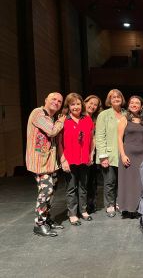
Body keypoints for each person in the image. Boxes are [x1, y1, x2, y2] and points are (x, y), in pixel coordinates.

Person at [26, 92, 66, 237]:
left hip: (50, 162)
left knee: (51, 190)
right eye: (53, 99)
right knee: (46, 191)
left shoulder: (51, 117)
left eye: (59, 101)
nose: (56, 102)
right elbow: (51, 131)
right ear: (46, 100)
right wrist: (61, 121)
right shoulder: (38, 113)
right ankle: (39, 224)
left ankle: (47, 219)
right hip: (40, 162)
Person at [58, 93, 95, 225]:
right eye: (72, 104)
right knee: (71, 188)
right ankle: (73, 213)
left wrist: (91, 154)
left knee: (83, 186)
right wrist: (63, 160)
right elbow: (60, 143)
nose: (76, 107)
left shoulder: (87, 119)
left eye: (78, 104)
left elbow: (92, 138)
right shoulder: (64, 121)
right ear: (68, 106)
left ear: (82, 105)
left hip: (84, 159)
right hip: (70, 160)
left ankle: (83, 210)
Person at [96, 89, 126, 217]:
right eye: (112, 97)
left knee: (123, 181)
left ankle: (120, 202)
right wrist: (103, 156)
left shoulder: (127, 113)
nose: (116, 98)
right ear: (109, 100)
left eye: (118, 96)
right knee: (110, 182)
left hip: (124, 154)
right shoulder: (103, 115)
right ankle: (109, 205)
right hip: (109, 155)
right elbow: (100, 136)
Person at [117, 96, 143, 218]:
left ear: (141, 106)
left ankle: (138, 207)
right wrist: (123, 155)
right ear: (129, 105)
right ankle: (126, 208)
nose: (134, 104)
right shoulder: (124, 119)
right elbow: (119, 138)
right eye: (132, 103)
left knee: (139, 182)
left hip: (141, 155)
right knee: (127, 182)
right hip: (128, 154)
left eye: (137, 103)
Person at [83, 95, 103, 214]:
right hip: (80, 152)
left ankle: (90, 204)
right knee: (81, 181)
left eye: (95, 105)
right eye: (90, 103)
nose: (92, 106)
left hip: (92, 152)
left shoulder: (96, 119)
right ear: (85, 102)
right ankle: (81, 205)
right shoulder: (78, 117)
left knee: (92, 180)